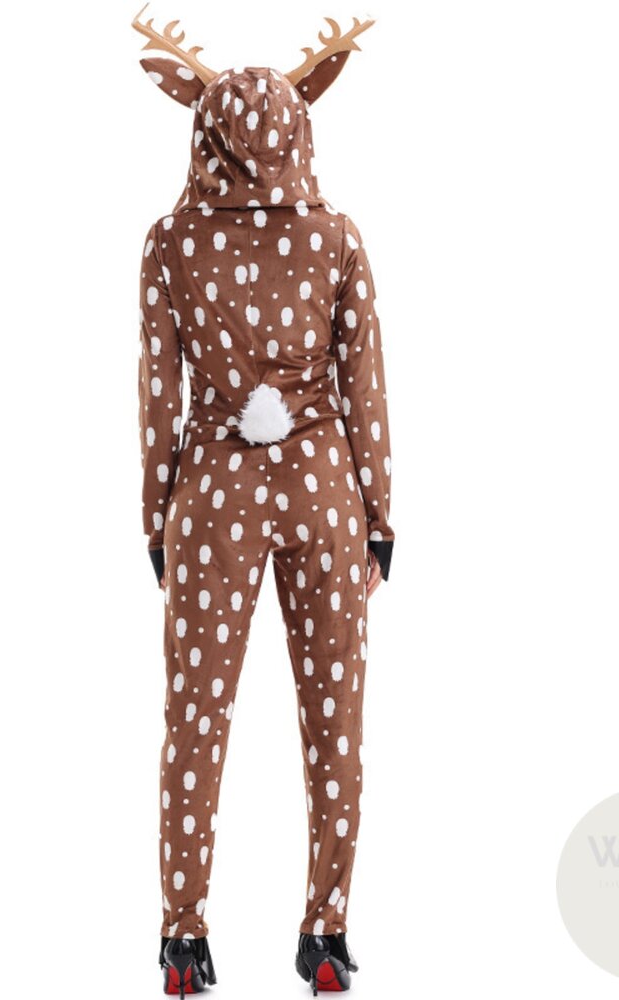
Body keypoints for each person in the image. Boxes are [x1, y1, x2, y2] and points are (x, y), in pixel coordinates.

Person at [132, 11, 394, 995]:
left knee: (195, 715)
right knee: (336, 718)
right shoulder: (335, 238)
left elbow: (159, 397)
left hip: (213, 494)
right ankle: (325, 932)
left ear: (201, 129)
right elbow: (364, 385)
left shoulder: (170, 244)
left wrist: (155, 517)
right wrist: (380, 514)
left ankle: (182, 938)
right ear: (299, 125)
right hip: (324, 487)